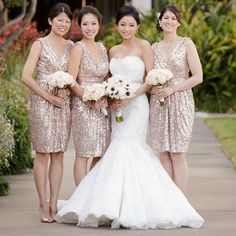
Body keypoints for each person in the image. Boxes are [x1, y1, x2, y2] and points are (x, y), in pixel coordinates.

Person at [55, 5, 204, 229]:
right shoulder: (111, 51)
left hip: (137, 107)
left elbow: (150, 79)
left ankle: (150, 204)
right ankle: (112, 204)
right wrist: (111, 94)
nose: (126, 28)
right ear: (116, 27)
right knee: (115, 149)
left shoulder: (145, 47)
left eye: (131, 25)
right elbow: (106, 78)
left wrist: (130, 94)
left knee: (134, 149)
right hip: (117, 109)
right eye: (123, 25)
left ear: (138, 26)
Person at [21, 3, 73, 222]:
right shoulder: (39, 44)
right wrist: (48, 96)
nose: (64, 24)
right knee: (42, 154)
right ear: (51, 21)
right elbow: (25, 76)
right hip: (43, 104)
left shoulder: (72, 46)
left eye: (67, 20)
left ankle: (54, 200)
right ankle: (42, 202)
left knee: (59, 154)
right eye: (60, 19)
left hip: (63, 105)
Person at [150, 5, 203, 194]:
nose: (169, 21)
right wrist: (155, 86)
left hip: (181, 100)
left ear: (179, 22)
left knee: (178, 152)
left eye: (173, 18)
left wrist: (173, 88)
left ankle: (181, 203)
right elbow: (147, 75)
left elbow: (197, 76)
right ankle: (167, 201)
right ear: (159, 21)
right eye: (165, 18)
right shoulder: (153, 48)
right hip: (159, 102)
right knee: (163, 152)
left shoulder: (186, 44)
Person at [68, 6, 110, 186]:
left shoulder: (102, 48)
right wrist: (87, 98)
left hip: (102, 107)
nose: (89, 28)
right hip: (83, 106)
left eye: (93, 23)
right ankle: (81, 198)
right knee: (83, 153)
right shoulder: (78, 48)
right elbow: (71, 80)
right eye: (85, 24)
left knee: (101, 152)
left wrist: (106, 95)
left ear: (99, 25)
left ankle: (91, 192)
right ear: (80, 26)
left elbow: (106, 77)